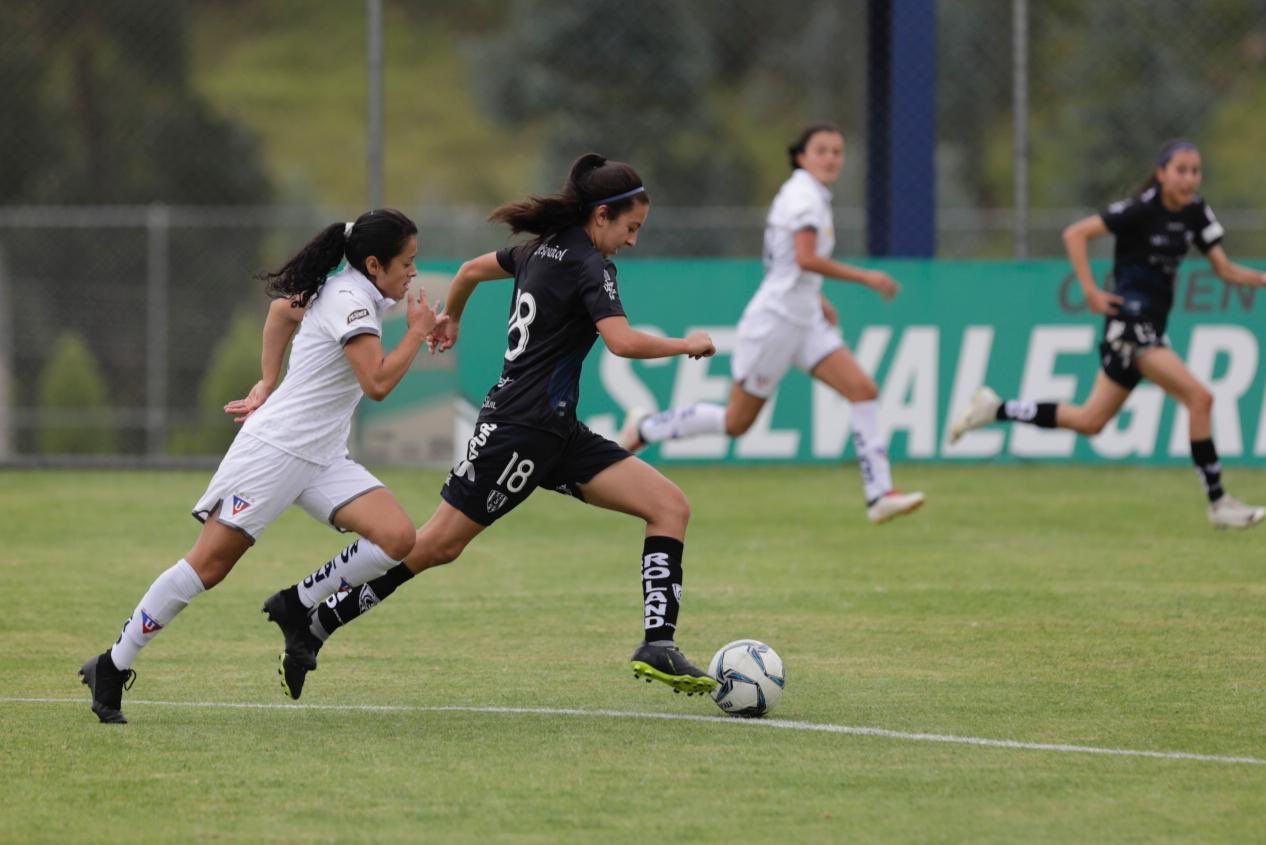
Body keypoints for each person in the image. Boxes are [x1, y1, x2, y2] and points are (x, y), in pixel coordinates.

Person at [255, 153, 721, 701]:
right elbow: (621, 341)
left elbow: (471, 270)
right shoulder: (587, 265)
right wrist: (687, 343)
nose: (633, 241)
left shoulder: (534, 250)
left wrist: (452, 316)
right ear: (600, 217)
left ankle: (657, 642)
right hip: (518, 432)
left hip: (556, 432)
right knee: (433, 546)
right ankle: (310, 611)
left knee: (670, 507)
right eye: (630, 228)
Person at [78, 209, 438, 723]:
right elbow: (376, 384)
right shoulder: (348, 297)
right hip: (274, 453)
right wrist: (416, 334)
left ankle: (297, 603)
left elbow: (280, 314)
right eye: (408, 262)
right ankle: (111, 664)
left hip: (321, 458)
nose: (413, 273)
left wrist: (268, 381)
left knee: (398, 537)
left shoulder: (356, 290)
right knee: (208, 566)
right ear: (375, 264)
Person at [949, 140, 1266, 529]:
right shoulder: (1140, 210)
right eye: (1180, 170)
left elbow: (1226, 270)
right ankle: (1219, 503)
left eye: (1195, 171)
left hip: (1151, 326)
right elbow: (1075, 234)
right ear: (1162, 172)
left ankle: (995, 408)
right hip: (1130, 324)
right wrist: (1090, 290)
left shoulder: (1196, 212)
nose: (1189, 178)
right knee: (1200, 397)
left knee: (1090, 420)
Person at [617, 124, 924, 524]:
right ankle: (648, 426)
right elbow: (805, 259)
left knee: (863, 390)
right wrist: (868, 278)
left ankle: (880, 494)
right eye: (822, 150)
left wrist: (817, 299)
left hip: (804, 317)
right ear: (801, 156)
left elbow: (788, 265)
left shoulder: (810, 195)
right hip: (776, 322)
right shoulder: (803, 198)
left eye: (837, 151)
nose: (831, 158)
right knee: (736, 422)